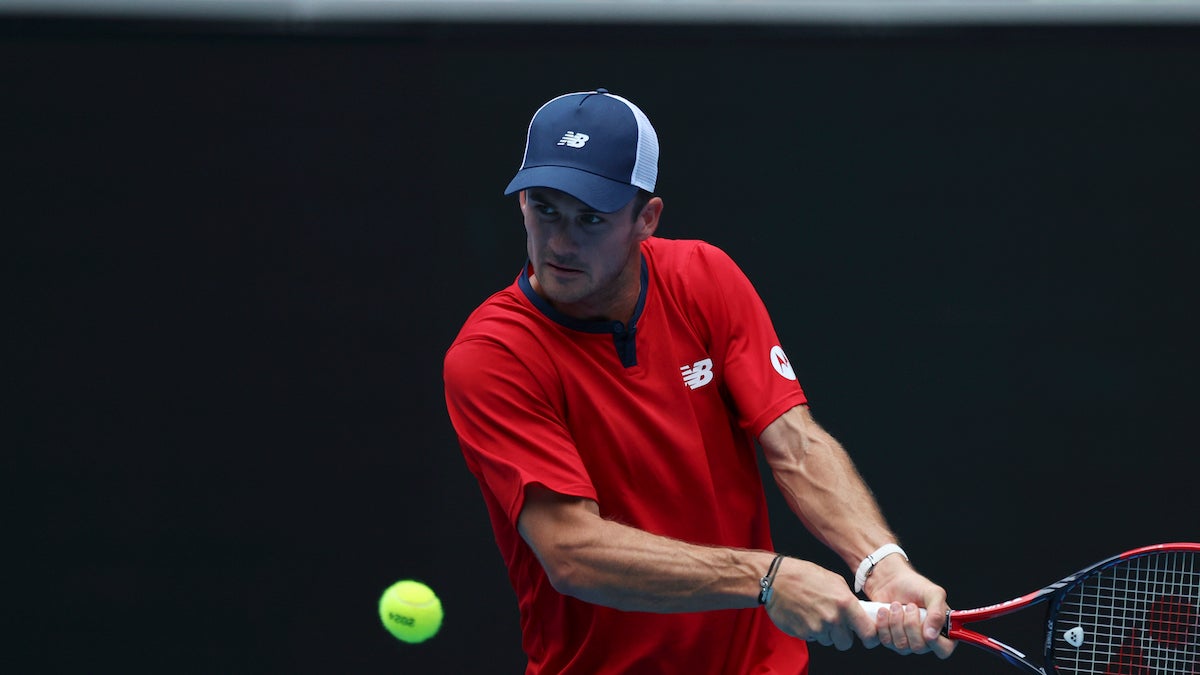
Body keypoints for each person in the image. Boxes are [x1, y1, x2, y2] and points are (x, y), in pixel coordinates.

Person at [443, 88, 955, 674]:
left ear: (647, 219)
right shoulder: (492, 355)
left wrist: (882, 564)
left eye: (590, 218)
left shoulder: (703, 277)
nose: (559, 243)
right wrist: (766, 578)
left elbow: (795, 444)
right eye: (544, 209)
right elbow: (571, 549)